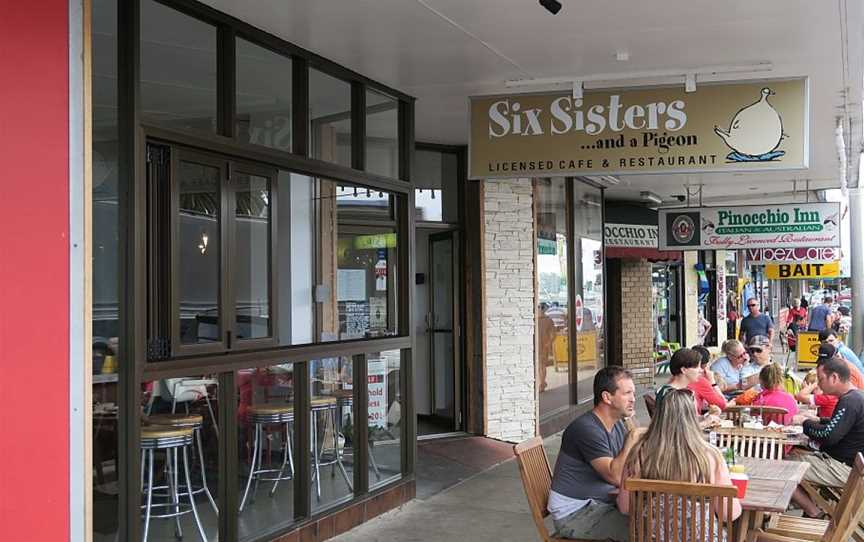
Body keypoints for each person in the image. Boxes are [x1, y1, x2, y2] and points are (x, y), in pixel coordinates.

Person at [617, 388, 742, 536]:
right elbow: (730, 514)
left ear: (657, 416)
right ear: (692, 417)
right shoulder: (711, 456)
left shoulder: (638, 454)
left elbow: (625, 507)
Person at [548, 367, 644, 541]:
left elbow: (632, 462)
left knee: (655, 517)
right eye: (627, 393)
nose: (633, 399)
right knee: (647, 529)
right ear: (607, 397)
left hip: (599, 503)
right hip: (575, 514)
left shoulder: (617, 424)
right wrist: (632, 438)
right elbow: (615, 476)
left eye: (633, 393)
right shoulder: (586, 429)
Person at [789, 354, 864, 518]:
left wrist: (804, 423)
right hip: (850, 467)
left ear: (834, 377)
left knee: (784, 465)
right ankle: (812, 510)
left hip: (844, 469)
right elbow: (839, 425)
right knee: (794, 455)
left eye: (821, 379)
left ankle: (814, 512)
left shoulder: (849, 401)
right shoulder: (857, 396)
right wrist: (818, 419)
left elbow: (829, 435)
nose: (819, 384)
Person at [687, 345, 728, 412]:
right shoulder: (699, 380)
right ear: (704, 366)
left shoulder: (677, 379)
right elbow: (722, 404)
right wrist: (712, 381)